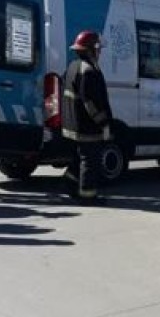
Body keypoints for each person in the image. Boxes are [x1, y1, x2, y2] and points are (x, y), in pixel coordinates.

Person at [62, 31, 113, 205]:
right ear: (92, 50)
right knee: (90, 161)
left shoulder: (73, 66)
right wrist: (103, 122)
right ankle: (88, 196)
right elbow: (90, 102)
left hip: (72, 124)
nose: (100, 53)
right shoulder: (89, 70)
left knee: (79, 158)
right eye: (98, 49)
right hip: (86, 126)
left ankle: (70, 185)